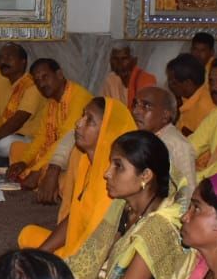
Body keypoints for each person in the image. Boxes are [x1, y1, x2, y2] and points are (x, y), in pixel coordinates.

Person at [66, 131, 192, 279]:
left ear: (145, 176)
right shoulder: (123, 205)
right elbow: (90, 262)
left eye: (118, 166)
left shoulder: (158, 227)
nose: (107, 173)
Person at [18, 97, 136, 257]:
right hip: (78, 244)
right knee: (27, 234)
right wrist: (42, 253)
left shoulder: (112, 176)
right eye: (83, 116)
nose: (78, 123)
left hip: (94, 256)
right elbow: (74, 217)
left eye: (90, 121)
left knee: (34, 255)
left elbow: (98, 244)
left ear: (107, 131)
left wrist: (53, 259)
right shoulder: (85, 162)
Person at [7, 59, 89, 189]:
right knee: (16, 148)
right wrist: (23, 162)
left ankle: (45, 178)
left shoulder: (78, 97)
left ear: (59, 74)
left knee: (57, 174)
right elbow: (42, 136)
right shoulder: (51, 102)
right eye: (37, 81)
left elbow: (66, 141)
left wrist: (38, 169)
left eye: (45, 77)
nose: (41, 84)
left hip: (70, 156)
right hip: (52, 152)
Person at [130, 85, 195, 205]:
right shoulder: (138, 136)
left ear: (165, 116)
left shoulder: (177, 145)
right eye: (135, 104)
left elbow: (187, 194)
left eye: (146, 106)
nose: (136, 111)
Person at [167, 52, 214, 135]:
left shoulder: (206, 107)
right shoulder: (187, 98)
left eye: (173, 82)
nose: (169, 85)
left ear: (188, 83)